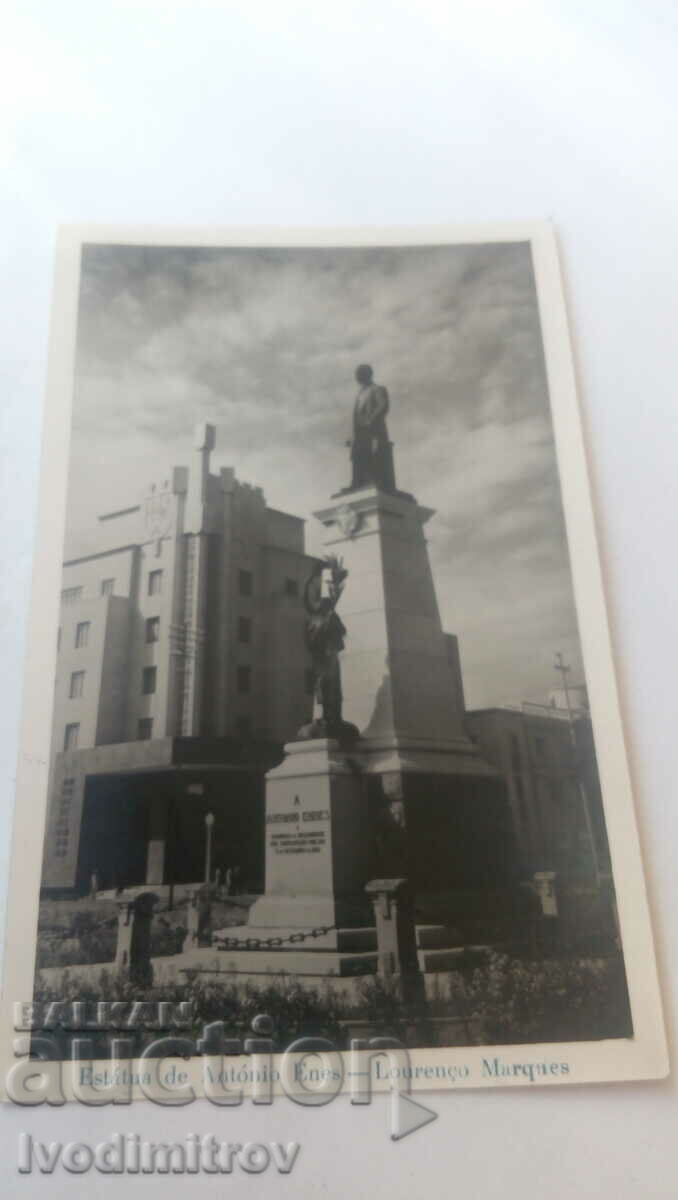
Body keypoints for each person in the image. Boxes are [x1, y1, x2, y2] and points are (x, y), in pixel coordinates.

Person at [348, 364, 396, 491]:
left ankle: (375, 481)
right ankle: (356, 483)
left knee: (373, 455)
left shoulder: (378, 389)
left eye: (360, 374)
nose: (357, 377)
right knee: (357, 456)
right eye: (357, 375)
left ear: (367, 375)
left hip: (373, 430)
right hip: (360, 432)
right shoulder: (360, 394)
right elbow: (356, 415)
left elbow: (383, 406)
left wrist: (370, 420)